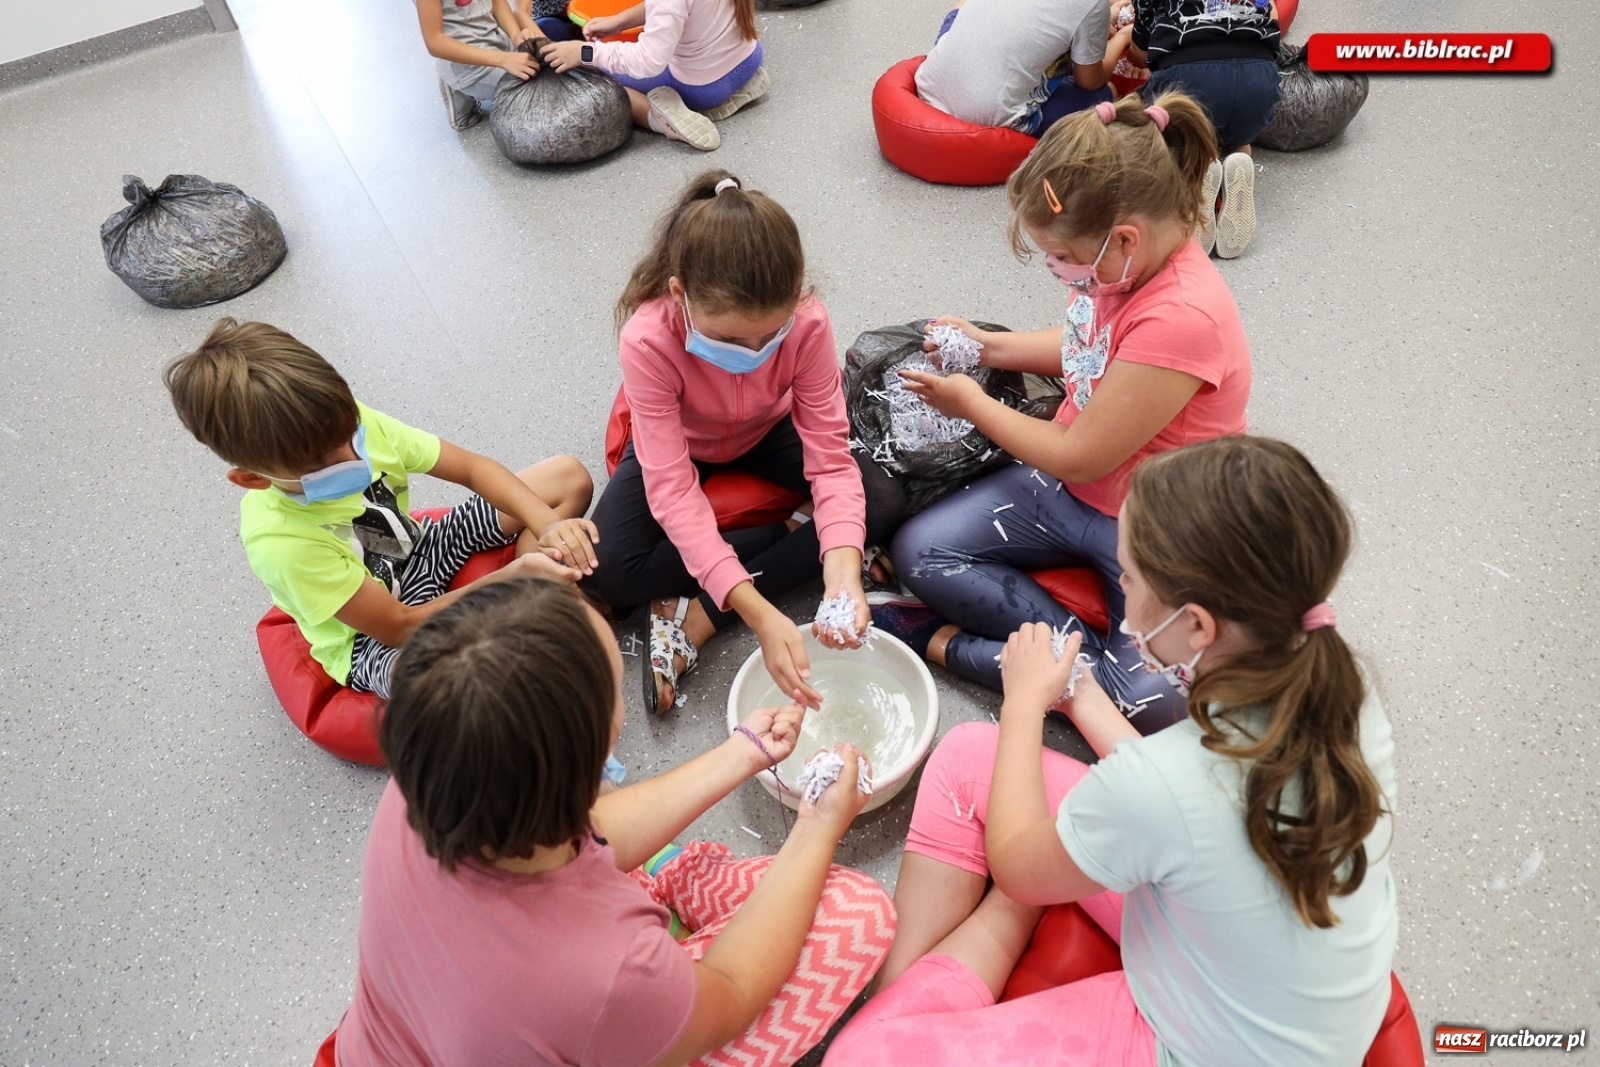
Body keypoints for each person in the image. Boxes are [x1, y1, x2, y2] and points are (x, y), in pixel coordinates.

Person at [827, 436, 1399, 1067]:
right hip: (1244, 957)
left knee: (858, 1059)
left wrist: (1023, 703)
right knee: (968, 758)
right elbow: (1185, 802)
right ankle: (905, 996)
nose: (1120, 589)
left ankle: (902, 1015)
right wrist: (1084, 697)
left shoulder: (1168, 783)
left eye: (1129, 578)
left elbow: (1033, 859)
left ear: (1199, 626)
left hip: (1204, 1042)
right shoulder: (1339, 680)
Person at [328, 576, 895, 1067]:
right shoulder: (600, 974)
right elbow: (732, 991)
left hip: (402, 1043)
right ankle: (666, 908)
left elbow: (590, 826)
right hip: (603, 1003)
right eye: (616, 692)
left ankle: (663, 888)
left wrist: (741, 753)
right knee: (859, 915)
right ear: (593, 759)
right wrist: (818, 825)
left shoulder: (429, 777)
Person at [871, 93, 1251, 735]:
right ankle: (1075, 662)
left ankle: (954, 645)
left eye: (1064, 258)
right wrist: (989, 347)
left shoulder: (1184, 317)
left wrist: (974, 402)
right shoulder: (1123, 274)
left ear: (1124, 239)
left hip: (1149, 525)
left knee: (1158, 705)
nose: (1060, 273)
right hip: (1073, 489)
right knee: (920, 552)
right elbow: (1085, 346)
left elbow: (1081, 455)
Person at [583, 170, 896, 716]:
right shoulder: (648, 339)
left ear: (795, 298)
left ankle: (703, 614)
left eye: (769, 336)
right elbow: (673, 490)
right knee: (609, 571)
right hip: (686, 441)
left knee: (886, 495)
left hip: (770, 430)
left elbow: (829, 454)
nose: (753, 351)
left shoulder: (807, 322)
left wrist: (842, 572)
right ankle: (784, 536)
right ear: (680, 295)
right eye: (729, 339)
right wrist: (760, 612)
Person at [164, 317, 597, 699]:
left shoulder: (348, 424)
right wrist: (510, 581)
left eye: (349, 437)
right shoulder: (281, 543)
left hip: (420, 550)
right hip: (369, 640)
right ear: (253, 479)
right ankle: (532, 597)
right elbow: (398, 627)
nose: (353, 459)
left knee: (566, 477)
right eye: (321, 463)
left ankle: (536, 594)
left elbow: (471, 468)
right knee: (451, 688)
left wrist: (546, 528)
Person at [1130, 0, 1285, 257]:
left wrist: (1129, 39)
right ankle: (1238, 159)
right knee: (1237, 134)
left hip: (1189, 81)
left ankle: (1195, 180)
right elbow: (1274, 18)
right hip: (1258, 82)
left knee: (1162, 128)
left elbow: (1140, 50)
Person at [538, 0, 770, 152]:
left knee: (601, 75)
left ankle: (661, 119)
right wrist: (619, 22)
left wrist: (584, 53)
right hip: (749, 58)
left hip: (704, 87)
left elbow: (647, 62)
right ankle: (737, 90)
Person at [914, 0, 1132, 138]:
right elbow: (1089, 81)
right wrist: (1122, 38)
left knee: (962, 6)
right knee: (1107, 92)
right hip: (984, 113)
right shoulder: (1092, 4)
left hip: (930, 82)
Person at [413, 0, 582, 131]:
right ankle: (453, 83)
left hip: (496, 44)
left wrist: (516, 36)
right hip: (467, 65)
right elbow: (434, 42)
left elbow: (498, 3)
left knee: (543, 70)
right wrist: (503, 59)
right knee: (537, 94)